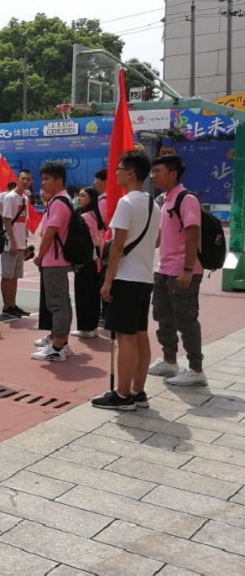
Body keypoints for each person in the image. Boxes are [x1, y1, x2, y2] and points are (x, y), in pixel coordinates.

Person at [94, 151, 160, 410]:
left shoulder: (126, 203)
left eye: (119, 169)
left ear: (131, 173)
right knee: (140, 334)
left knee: (126, 337)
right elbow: (156, 241)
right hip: (144, 278)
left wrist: (108, 281)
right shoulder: (154, 205)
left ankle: (122, 395)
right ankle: (138, 391)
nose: (116, 173)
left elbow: (117, 245)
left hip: (126, 277)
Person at [148, 154, 207, 386]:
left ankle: (196, 369)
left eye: (158, 171)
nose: (153, 176)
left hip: (182, 271)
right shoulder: (165, 200)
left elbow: (193, 234)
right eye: (152, 171)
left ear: (173, 174)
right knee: (163, 317)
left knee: (186, 320)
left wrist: (188, 269)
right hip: (164, 269)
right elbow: (161, 238)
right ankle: (169, 360)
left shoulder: (186, 199)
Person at [32, 162, 74, 362]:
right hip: (58, 259)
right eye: (43, 179)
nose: (43, 183)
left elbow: (50, 232)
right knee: (63, 302)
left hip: (54, 260)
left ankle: (57, 347)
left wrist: (40, 255)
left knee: (56, 304)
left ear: (59, 181)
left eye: (47, 179)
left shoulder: (58, 202)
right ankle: (62, 342)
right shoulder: (64, 200)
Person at [72, 187, 105, 338]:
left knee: (83, 293)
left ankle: (85, 328)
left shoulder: (84, 216)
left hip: (87, 259)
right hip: (97, 259)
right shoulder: (96, 215)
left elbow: (82, 240)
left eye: (83, 196)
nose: (80, 199)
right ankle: (93, 326)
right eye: (79, 196)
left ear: (91, 199)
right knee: (93, 294)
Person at [0, 170, 32, 317]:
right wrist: (12, 241)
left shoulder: (25, 198)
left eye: (28, 179)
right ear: (17, 179)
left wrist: (23, 242)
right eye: (23, 178)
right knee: (8, 276)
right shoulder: (10, 197)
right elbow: (7, 220)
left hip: (20, 243)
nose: (25, 181)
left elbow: (23, 222)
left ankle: (13, 304)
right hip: (10, 243)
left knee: (15, 276)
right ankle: (7, 306)